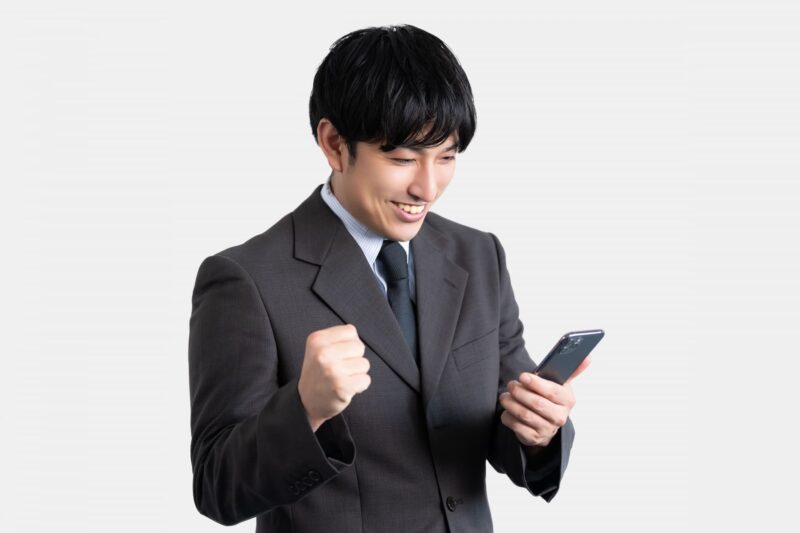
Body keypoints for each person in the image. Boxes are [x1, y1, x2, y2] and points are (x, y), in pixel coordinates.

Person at [188, 24, 590, 533]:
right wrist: (305, 409)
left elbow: (498, 422)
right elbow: (217, 487)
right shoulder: (246, 279)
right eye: (402, 159)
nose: (428, 187)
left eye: (447, 157)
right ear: (334, 144)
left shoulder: (478, 255)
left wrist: (539, 429)